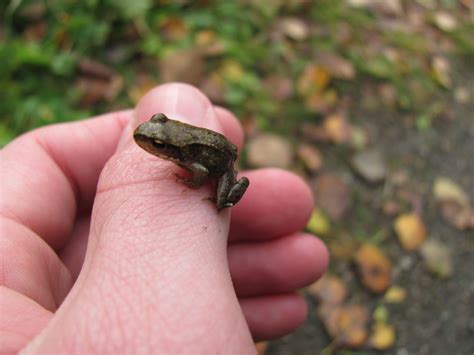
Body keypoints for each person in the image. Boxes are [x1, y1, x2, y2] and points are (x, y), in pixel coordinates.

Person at [0, 83, 328, 353]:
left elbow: (201, 170)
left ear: (170, 147)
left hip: (222, 163)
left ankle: (229, 193)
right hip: (209, 144)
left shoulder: (186, 156)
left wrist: (190, 185)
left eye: (157, 143)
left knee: (219, 200)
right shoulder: (178, 149)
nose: (148, 143)